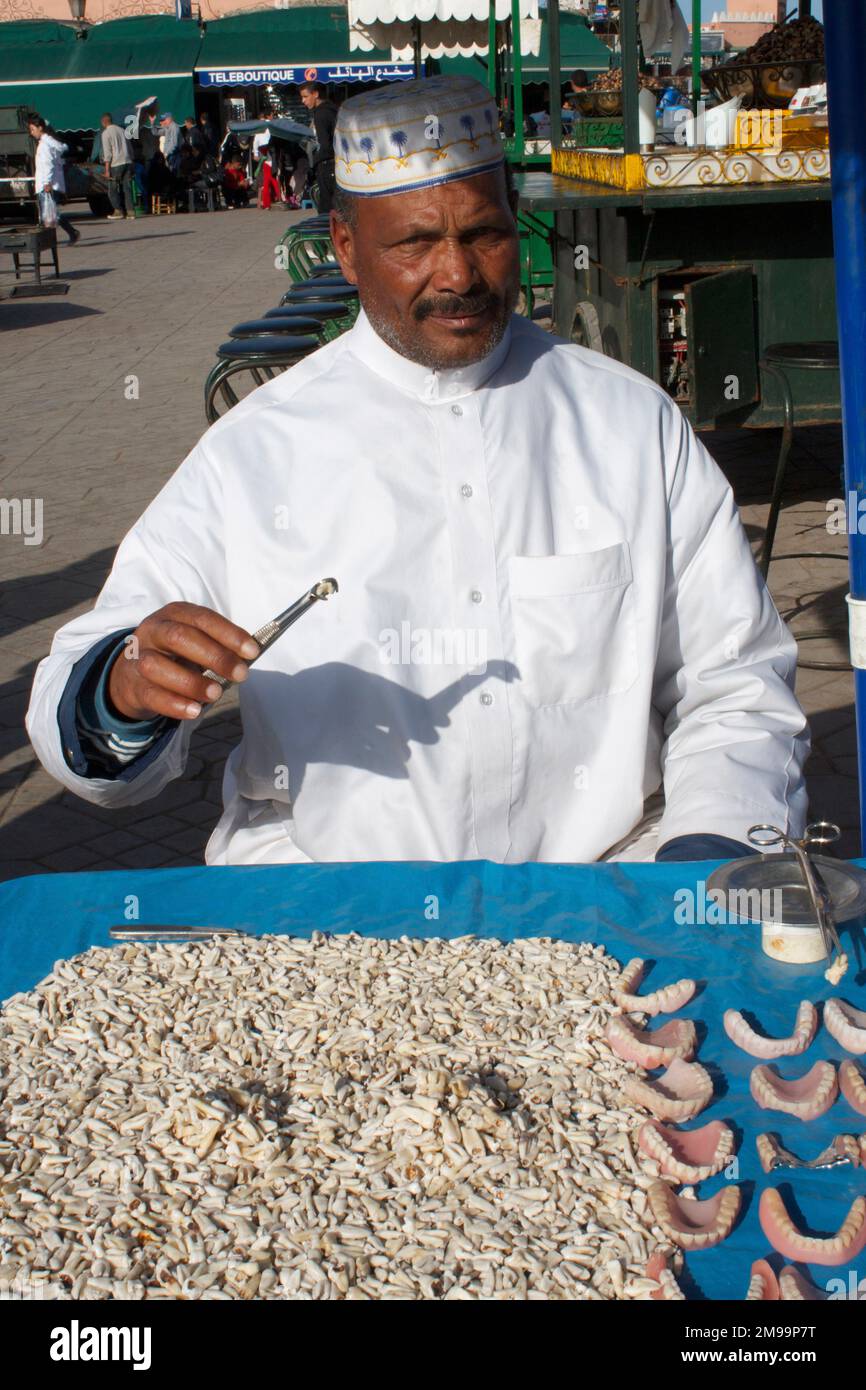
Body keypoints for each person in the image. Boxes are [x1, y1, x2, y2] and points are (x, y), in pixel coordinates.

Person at [27, 76, 808, 868]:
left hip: (600, 891)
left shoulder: (630, 424)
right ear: (345, 247)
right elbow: (80, 712)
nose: (459, 276)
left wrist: (708, 846)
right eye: (413, 243)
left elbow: (735, 680)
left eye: (485, 235)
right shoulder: (253, 454)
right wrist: (124, 689)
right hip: (324, 910)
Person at [28, 113, 79, 244]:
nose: (32, 132)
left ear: (40, 128)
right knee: (51, 213)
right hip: (51, 183)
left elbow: (47, 164)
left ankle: (55, 238)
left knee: (50, 214)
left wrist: (46, 183)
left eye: (33, 129)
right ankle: (70, 233)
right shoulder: (50, 143)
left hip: (47, 184)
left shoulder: (45, 145)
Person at [299, 80, 337, 214]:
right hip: (337, 165)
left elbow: (325, 145)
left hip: (327, 167)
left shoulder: (321, 113)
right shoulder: (332, 109)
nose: (303, 101)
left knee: (326, 210)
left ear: (315, 94)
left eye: (305, 96)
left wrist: (313, 164)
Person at [99, 112, 135, 221]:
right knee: (127, 188)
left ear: (103, 122)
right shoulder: (122, 130)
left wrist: (106, 170)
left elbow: (108, 153)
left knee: (112, 188)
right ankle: (131, 212)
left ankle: (118, 210)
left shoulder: (105, 134)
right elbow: (130, 147)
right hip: (127, 161)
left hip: (116, 163)